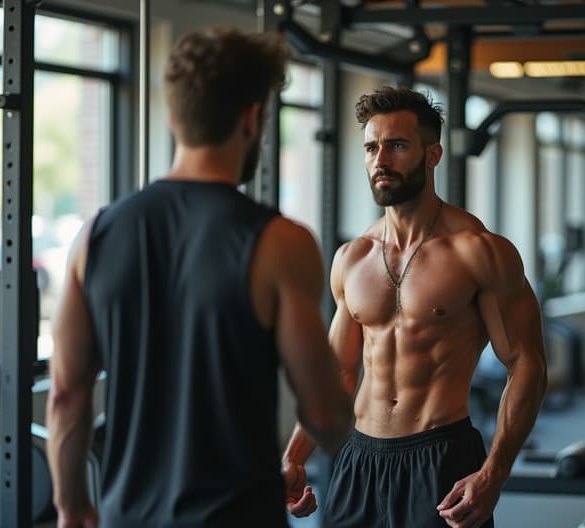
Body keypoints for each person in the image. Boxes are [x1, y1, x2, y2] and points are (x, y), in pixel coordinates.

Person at [45, 27, 353, 528]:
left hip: (128, 517)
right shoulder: (281, 242)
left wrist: (71, 505)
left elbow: (65, 395)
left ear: (173, 115)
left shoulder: (94, 237)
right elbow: (322, 414)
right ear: (253, 118)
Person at [282, 86, 548, 528]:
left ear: (432, 154)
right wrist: (294, 457)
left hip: (440, 458)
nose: (380, 160)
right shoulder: (352, 258)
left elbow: (527, 364)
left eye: (397, 145)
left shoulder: (478, 252)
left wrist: (494, 473)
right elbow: (340, 373)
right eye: (371, 147)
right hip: (359, 460)